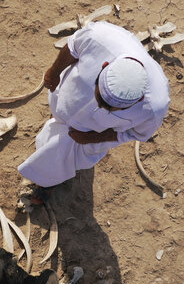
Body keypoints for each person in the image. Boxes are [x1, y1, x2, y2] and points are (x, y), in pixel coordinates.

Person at [17, 21, 170, 200]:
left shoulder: (154, 107)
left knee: (66, 158)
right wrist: (54, 71)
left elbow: (135, 134)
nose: (100, 107)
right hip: (65, 98)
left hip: (91, 133)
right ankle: (57, 121)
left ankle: (48, 181)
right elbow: (73, 48)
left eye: (110, 109)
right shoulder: (100, 37)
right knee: (57, 121)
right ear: (104, 65)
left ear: (140, 99)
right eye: (100, 97)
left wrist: (94, 138)